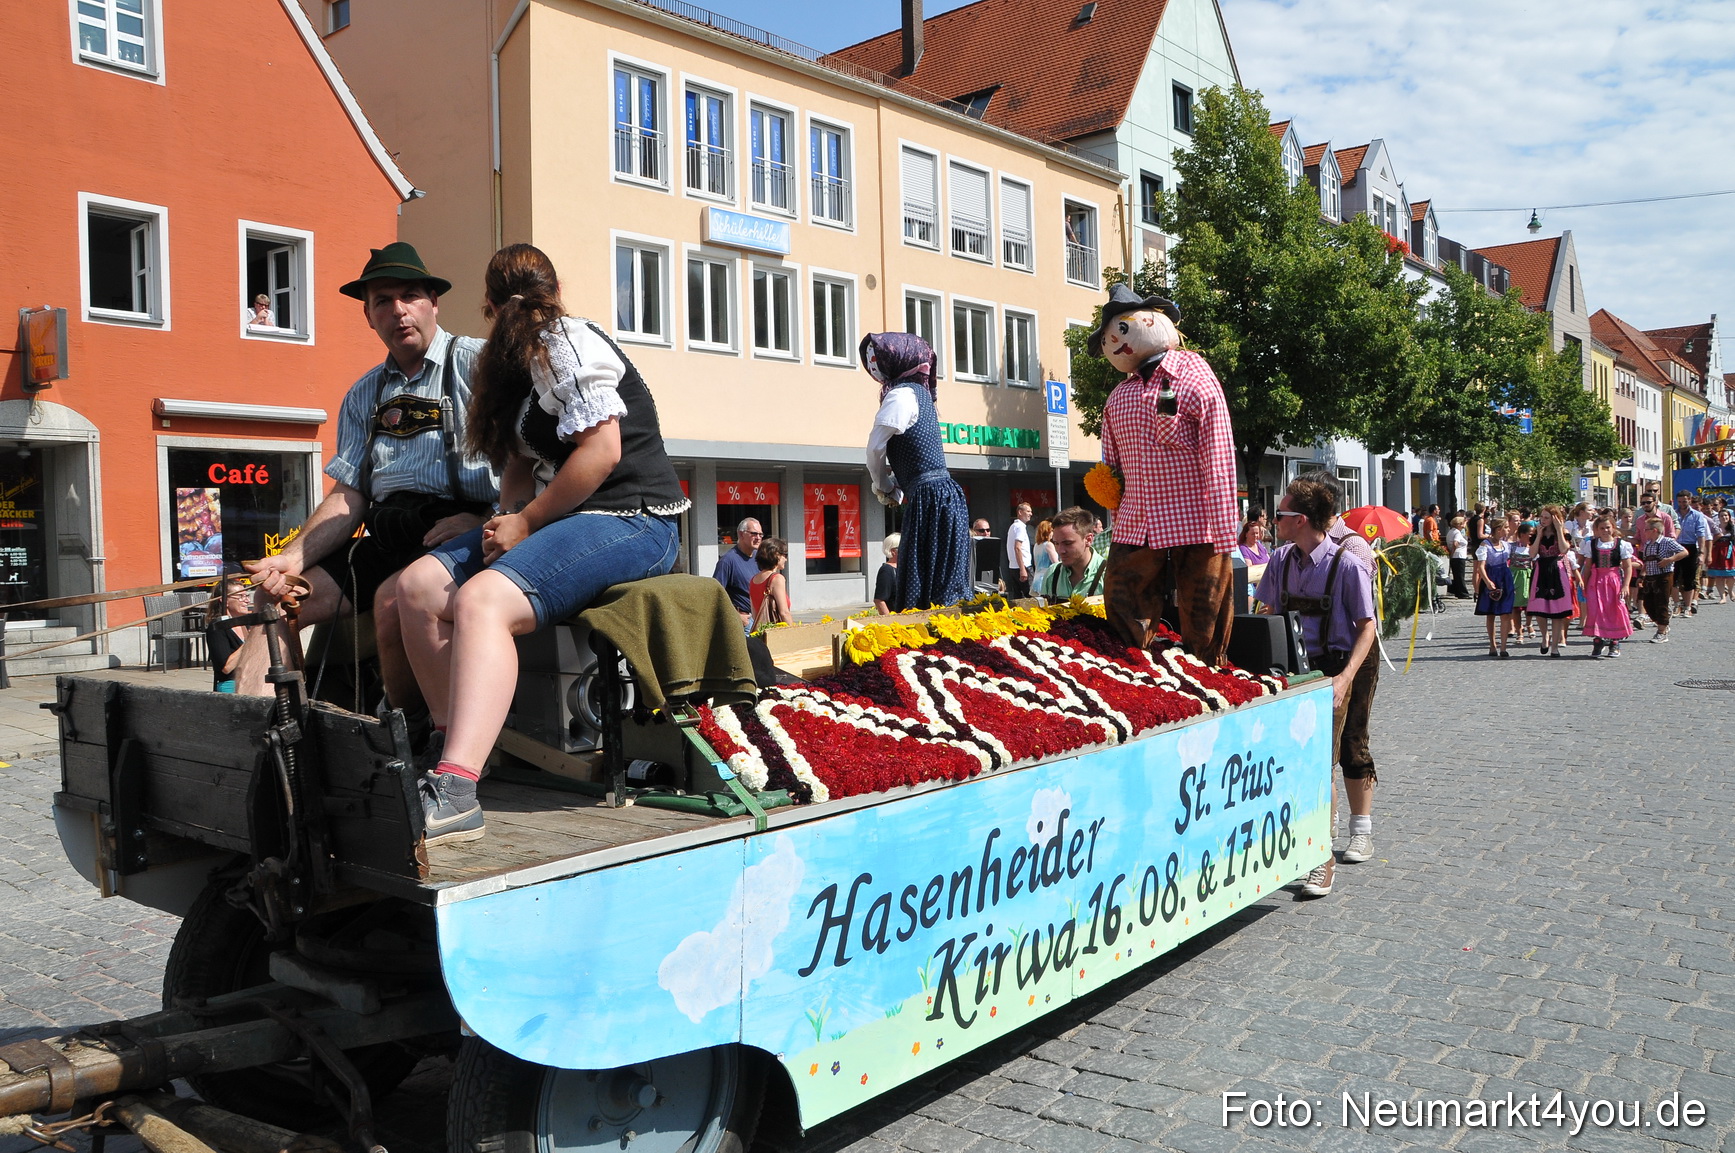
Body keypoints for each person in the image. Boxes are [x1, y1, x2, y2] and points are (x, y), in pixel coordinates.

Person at [396, 244, 687, 844]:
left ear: (490, 306)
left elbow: (603, 452)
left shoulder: (566, 341)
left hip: (637, 517)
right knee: (418, 587)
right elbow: (522, 469)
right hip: (570, 519)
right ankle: (462, 747)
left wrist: (523, 524)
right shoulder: (521, 363)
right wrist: (504, 521)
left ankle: (455, 788)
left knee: (481, 602)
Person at [242, 243, 497, 714]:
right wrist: (289, 560)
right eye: (383, 300)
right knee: (272, 603)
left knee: (390, 601)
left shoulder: (478, 365)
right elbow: (349, 497)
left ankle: (408, 740)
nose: (398, 311)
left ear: (433, 303)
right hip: (386, 535)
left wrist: (487, 519)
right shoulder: (364, 394)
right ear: (368, 316)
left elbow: (531, 463)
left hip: (461, 533)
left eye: (411, 296)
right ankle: (272, 741)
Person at [1090, 285, 1239, 665]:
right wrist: (1113, 507)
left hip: (1196, 516)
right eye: (1109, 340)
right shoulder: (1117, 399)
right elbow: (1112, 467)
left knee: (1203, 608)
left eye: (1122, 330)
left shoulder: (1192, 371)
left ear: (1153, 319)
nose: (1118, 343)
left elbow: (1218, 448)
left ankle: (1207, 670)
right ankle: (1135, 665)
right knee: (1123, 598)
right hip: (1138, 520)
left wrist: (1224, 528)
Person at [1255, 476, 1377, 899]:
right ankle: (1300, 845)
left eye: (1281, 514)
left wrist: (1344, 680)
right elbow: (1268, 612)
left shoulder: (1348, 562)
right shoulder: (1282, 559)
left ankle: (1322, 857)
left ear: (1301, 519)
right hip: (1292, 671)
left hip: (1335, 667)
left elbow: (1368, 628)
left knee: (1324, 759)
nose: (1273, 520)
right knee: (1294, 758)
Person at [861, 333, 971, 611]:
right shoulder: (923, 396)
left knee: (922, 576)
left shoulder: (900, 395)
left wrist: (883, 485)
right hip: (943, 495)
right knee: (944, 577)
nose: (873, 366)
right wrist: (898, 481)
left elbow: (875, 448)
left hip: (929, 499)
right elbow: (919, 460)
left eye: (877, 358)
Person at [1580, 516, 1634, 658]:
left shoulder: (1621, 544)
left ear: (1613, 528)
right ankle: (1598, 640)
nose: (1605, 530)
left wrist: (1626, 585)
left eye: (1608, 527)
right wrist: (1584, 584)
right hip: (1596, 580)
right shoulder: (1591, 545)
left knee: (1613, 609)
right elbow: (1587, 567)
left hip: (1613, 580)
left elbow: (1628, 567)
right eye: (1602, 528)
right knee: (1595, 608)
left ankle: (1614, 642)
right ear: (1596, 530)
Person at [1526, 508, 1578, 656]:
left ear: (1555, 518)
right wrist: (1539, 535)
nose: (1543, 520)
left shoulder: (1562, 532)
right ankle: (1545, 636)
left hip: (1557, 569)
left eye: (1547, 517)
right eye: (1542, 517)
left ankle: (1554, 647)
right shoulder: (1537, 533)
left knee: (1558, 611)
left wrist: (1559, 529)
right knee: (1539, 608)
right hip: (1541, 570)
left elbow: (1563, 549)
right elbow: (1532, 553)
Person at [1037, 507, 1107, 599]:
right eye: (1056, 543)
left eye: (1068, 543)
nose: (1061, 550)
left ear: (1088, 540)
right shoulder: (1053, 574)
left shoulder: (1108, 574)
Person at [1636, 516, 1686, 644]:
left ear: (1654, 530)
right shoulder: (1647, 544)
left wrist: (1669, 560)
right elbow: (1646, 562)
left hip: (1664, 576)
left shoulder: (1667, 541)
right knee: (1648, 604)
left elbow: (1684, 552)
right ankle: (1663, 623)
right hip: (1650, 577)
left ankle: (1661, 632)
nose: (1644, 531)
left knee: (1661, 603)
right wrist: (1641, 576)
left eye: (1646, 529)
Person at [205, 577, 257, 692]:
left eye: (246, 596)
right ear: (225, 601)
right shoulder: (217, 627)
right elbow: (226, 667)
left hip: (250, 680)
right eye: (240, 596)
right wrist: (252, 639)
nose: (246, 601)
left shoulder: (245, 624)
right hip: (231, 684)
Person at [1474, 519, 1516, 657]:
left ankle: (1503, 647)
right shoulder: (1485, 545)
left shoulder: (1505, 544)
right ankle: (1493, 645)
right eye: (1506, 528)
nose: (1508, 530)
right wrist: (1487, 582)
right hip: (1491, 577)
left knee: (1505, 613)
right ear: (1499, 530)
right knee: (1490, 613)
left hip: (1505, 578)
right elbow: (1481, 566)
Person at [712, 518, 764, 626]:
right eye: (754, 534)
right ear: (741, 534)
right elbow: (715, 595)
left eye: (760, 534)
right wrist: (736, 616)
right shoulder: (728, 561)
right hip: (744, 622)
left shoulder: (758, 558)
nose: (758, 538)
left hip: (760, 619)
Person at [1673, 492, 1714, 617]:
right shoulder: (1674, 514)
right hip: (1676, 547)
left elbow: (1701, 535)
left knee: (1689, 579)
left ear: (1689, 500)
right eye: (1679, 502)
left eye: (1684, 501)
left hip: (1691, 547)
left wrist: (1702, 553)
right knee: (1674, 578)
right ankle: (1676, 605)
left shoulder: (1697, 515)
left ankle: (1687, 606)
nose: (1682, 504)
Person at [749, 537, 792, 629]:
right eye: (785, 555)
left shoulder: (753, 580)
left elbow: (755, 614)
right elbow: (784, 612)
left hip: (761, 631)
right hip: (776, 633)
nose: (786, 559)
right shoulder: (777, 579)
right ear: (776, 554)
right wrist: (795, 632)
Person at [1004, 503, 1034, 597]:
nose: (1031, 514)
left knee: (1018, 596)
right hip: (1023, 566)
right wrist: (1022, 569)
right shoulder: (1020, 527)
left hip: (1014, 567)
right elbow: (1017, 547)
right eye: (1028, 511)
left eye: (1031, 511)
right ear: (1020, 512)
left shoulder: (1014, 526)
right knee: (1031, 596)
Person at [1707, 510, 1735, 604]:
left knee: (1731, 576)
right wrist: (1718, 537)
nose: (1724, 517)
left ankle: (1730, 591)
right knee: (1719, 576)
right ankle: (1722, 597)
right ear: (1718, 518)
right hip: (1718, 552)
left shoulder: (1733, 527)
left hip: (1730, 552)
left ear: (1729, 516)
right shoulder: (1716, 529)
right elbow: (1710, 541)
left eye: (1726, 515)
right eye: (1722, 516)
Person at [873, 533, 900, 614]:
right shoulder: (886, 570)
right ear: (893, 551)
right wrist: (889, 621)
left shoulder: (905, 568)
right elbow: (879, 600)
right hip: (896, 622)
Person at [1445, 515, 1470, 598]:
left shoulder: (1451, 531)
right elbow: (1455, 543)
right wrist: (1452, 552)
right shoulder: (1457, 532)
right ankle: (1463, 593)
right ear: (1459, 524)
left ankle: (1457, 591)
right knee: (1460, 576)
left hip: (1456, 556)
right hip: (1459, 555)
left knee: (1457, 575)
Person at [1031, 519, 1058, 591]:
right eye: (1051, 530)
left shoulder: (1036, 545)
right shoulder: (1048, 545)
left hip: (1037, 579)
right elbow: (1056, 563)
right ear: (1047, 531)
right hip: (1046, 579)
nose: (1053, 533)